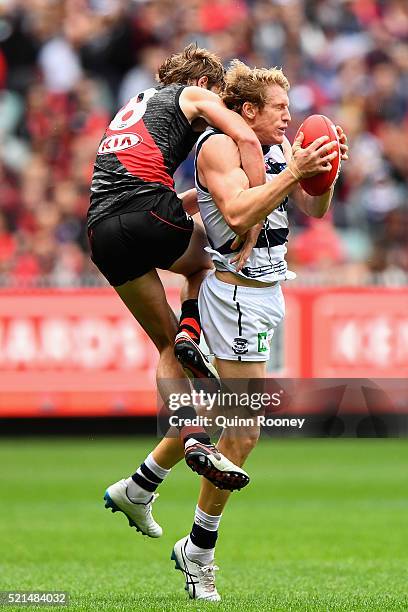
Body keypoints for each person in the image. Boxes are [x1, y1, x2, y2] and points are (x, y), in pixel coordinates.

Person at [170, 60, 349, 601]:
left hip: (267, 296)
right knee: (243, 431)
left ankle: (143, 484)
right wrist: (295, 171)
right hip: (237, 295)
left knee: (230, 424)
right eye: (279, 109)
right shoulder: (222, 147)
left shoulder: (272, 152)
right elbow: (240, 213)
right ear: (247, 111)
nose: (289, 118)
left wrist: (325, 168)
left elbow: (314, 207)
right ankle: (198, 552)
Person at [87, 45, 266, 538]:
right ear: (206, 84)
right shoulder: (193, 94)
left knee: (163, 344)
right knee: (212, 251)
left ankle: (187, 427)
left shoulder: (135, 103)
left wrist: (190, 201)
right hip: (147, 209)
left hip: (101, 229)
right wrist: (257, 205)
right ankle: (192, 324)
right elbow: (246, 135)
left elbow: (146, 188)